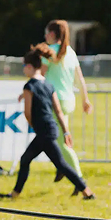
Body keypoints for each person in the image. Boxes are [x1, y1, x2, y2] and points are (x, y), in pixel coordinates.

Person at [0, 45, 96, 200]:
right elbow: (58, 112)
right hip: (52, 128)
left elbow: (27, 113)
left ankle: (87, 191)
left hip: (44, 132)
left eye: (24, 67)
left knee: (59, 164)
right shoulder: (49, 85)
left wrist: (34, 126)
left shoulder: (29, 86)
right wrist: (66, 131)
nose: (24, 71)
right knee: (31, 160)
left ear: (29, 67)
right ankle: (15, 194)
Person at [40, 20, 93, 188]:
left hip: (55, 101)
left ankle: (79, 179)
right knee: (58, 139)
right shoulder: (70, 52)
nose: (45, 36)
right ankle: (61, 167)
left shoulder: (49, 52)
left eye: (46, 33)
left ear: (52, 34)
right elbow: (80, 79)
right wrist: (85, 100)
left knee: (61, 143)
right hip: (69, 100)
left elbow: (40, 76)